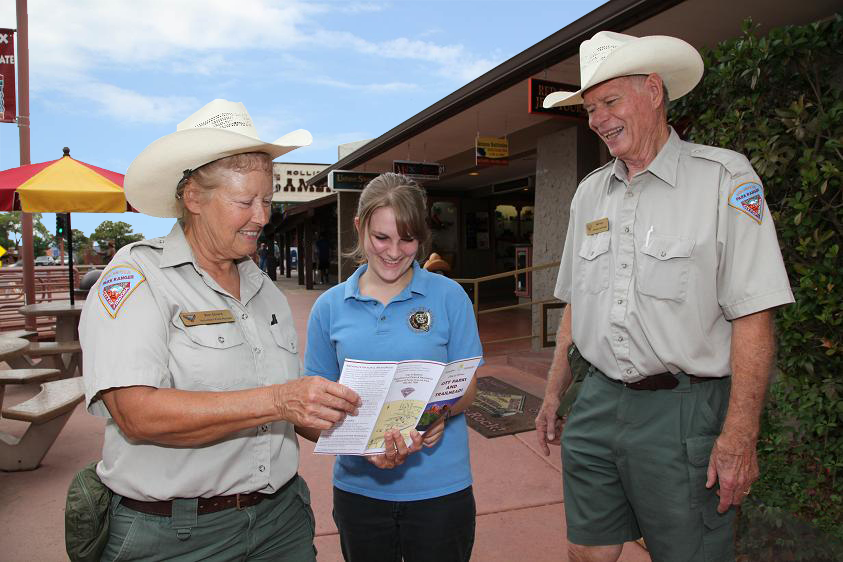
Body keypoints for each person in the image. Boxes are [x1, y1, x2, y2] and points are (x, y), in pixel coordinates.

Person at [535, 32, 794, 561]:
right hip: (597, 400)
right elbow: (576, 308)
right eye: (590, 109)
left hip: (683, 410)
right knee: (587, 550)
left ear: (654, 91)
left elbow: (754, 314)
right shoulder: (588, 194)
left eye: (610, 102)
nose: (599, 119)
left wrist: (740, 433)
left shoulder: (723, 179)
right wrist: (554, 393)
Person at [78, 99, 361, 561]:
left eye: (267, 201)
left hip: (280, 520)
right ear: (193, 197)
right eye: (245, 202)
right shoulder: (138, 276)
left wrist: (361, 438)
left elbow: (286, 410)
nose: (262, 217)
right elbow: (135, 412)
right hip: (176, 536)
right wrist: (280, 399)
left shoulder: (264, 288)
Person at [304, 172, 483, 562]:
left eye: (408, 239)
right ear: (359, 227)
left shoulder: (450, 297)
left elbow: (467, 384)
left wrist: (438, 413)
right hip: (359, 491)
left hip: (440, 489)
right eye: (381, 237)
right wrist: (357, 441)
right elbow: (314, 402)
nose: (394, 251)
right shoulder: (329, 308)